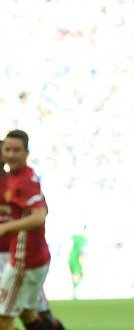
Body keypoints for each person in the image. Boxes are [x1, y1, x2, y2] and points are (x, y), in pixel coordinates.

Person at [0, 131, 64, 330]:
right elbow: (43, 208)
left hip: (22, 259)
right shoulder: (17, 177)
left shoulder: (21, 180)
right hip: (22, 256)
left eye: (15, 150)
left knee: (6, 319)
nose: (10, 155)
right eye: (7, 150)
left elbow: (40, 214)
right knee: (29, 314)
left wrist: (5, 227)